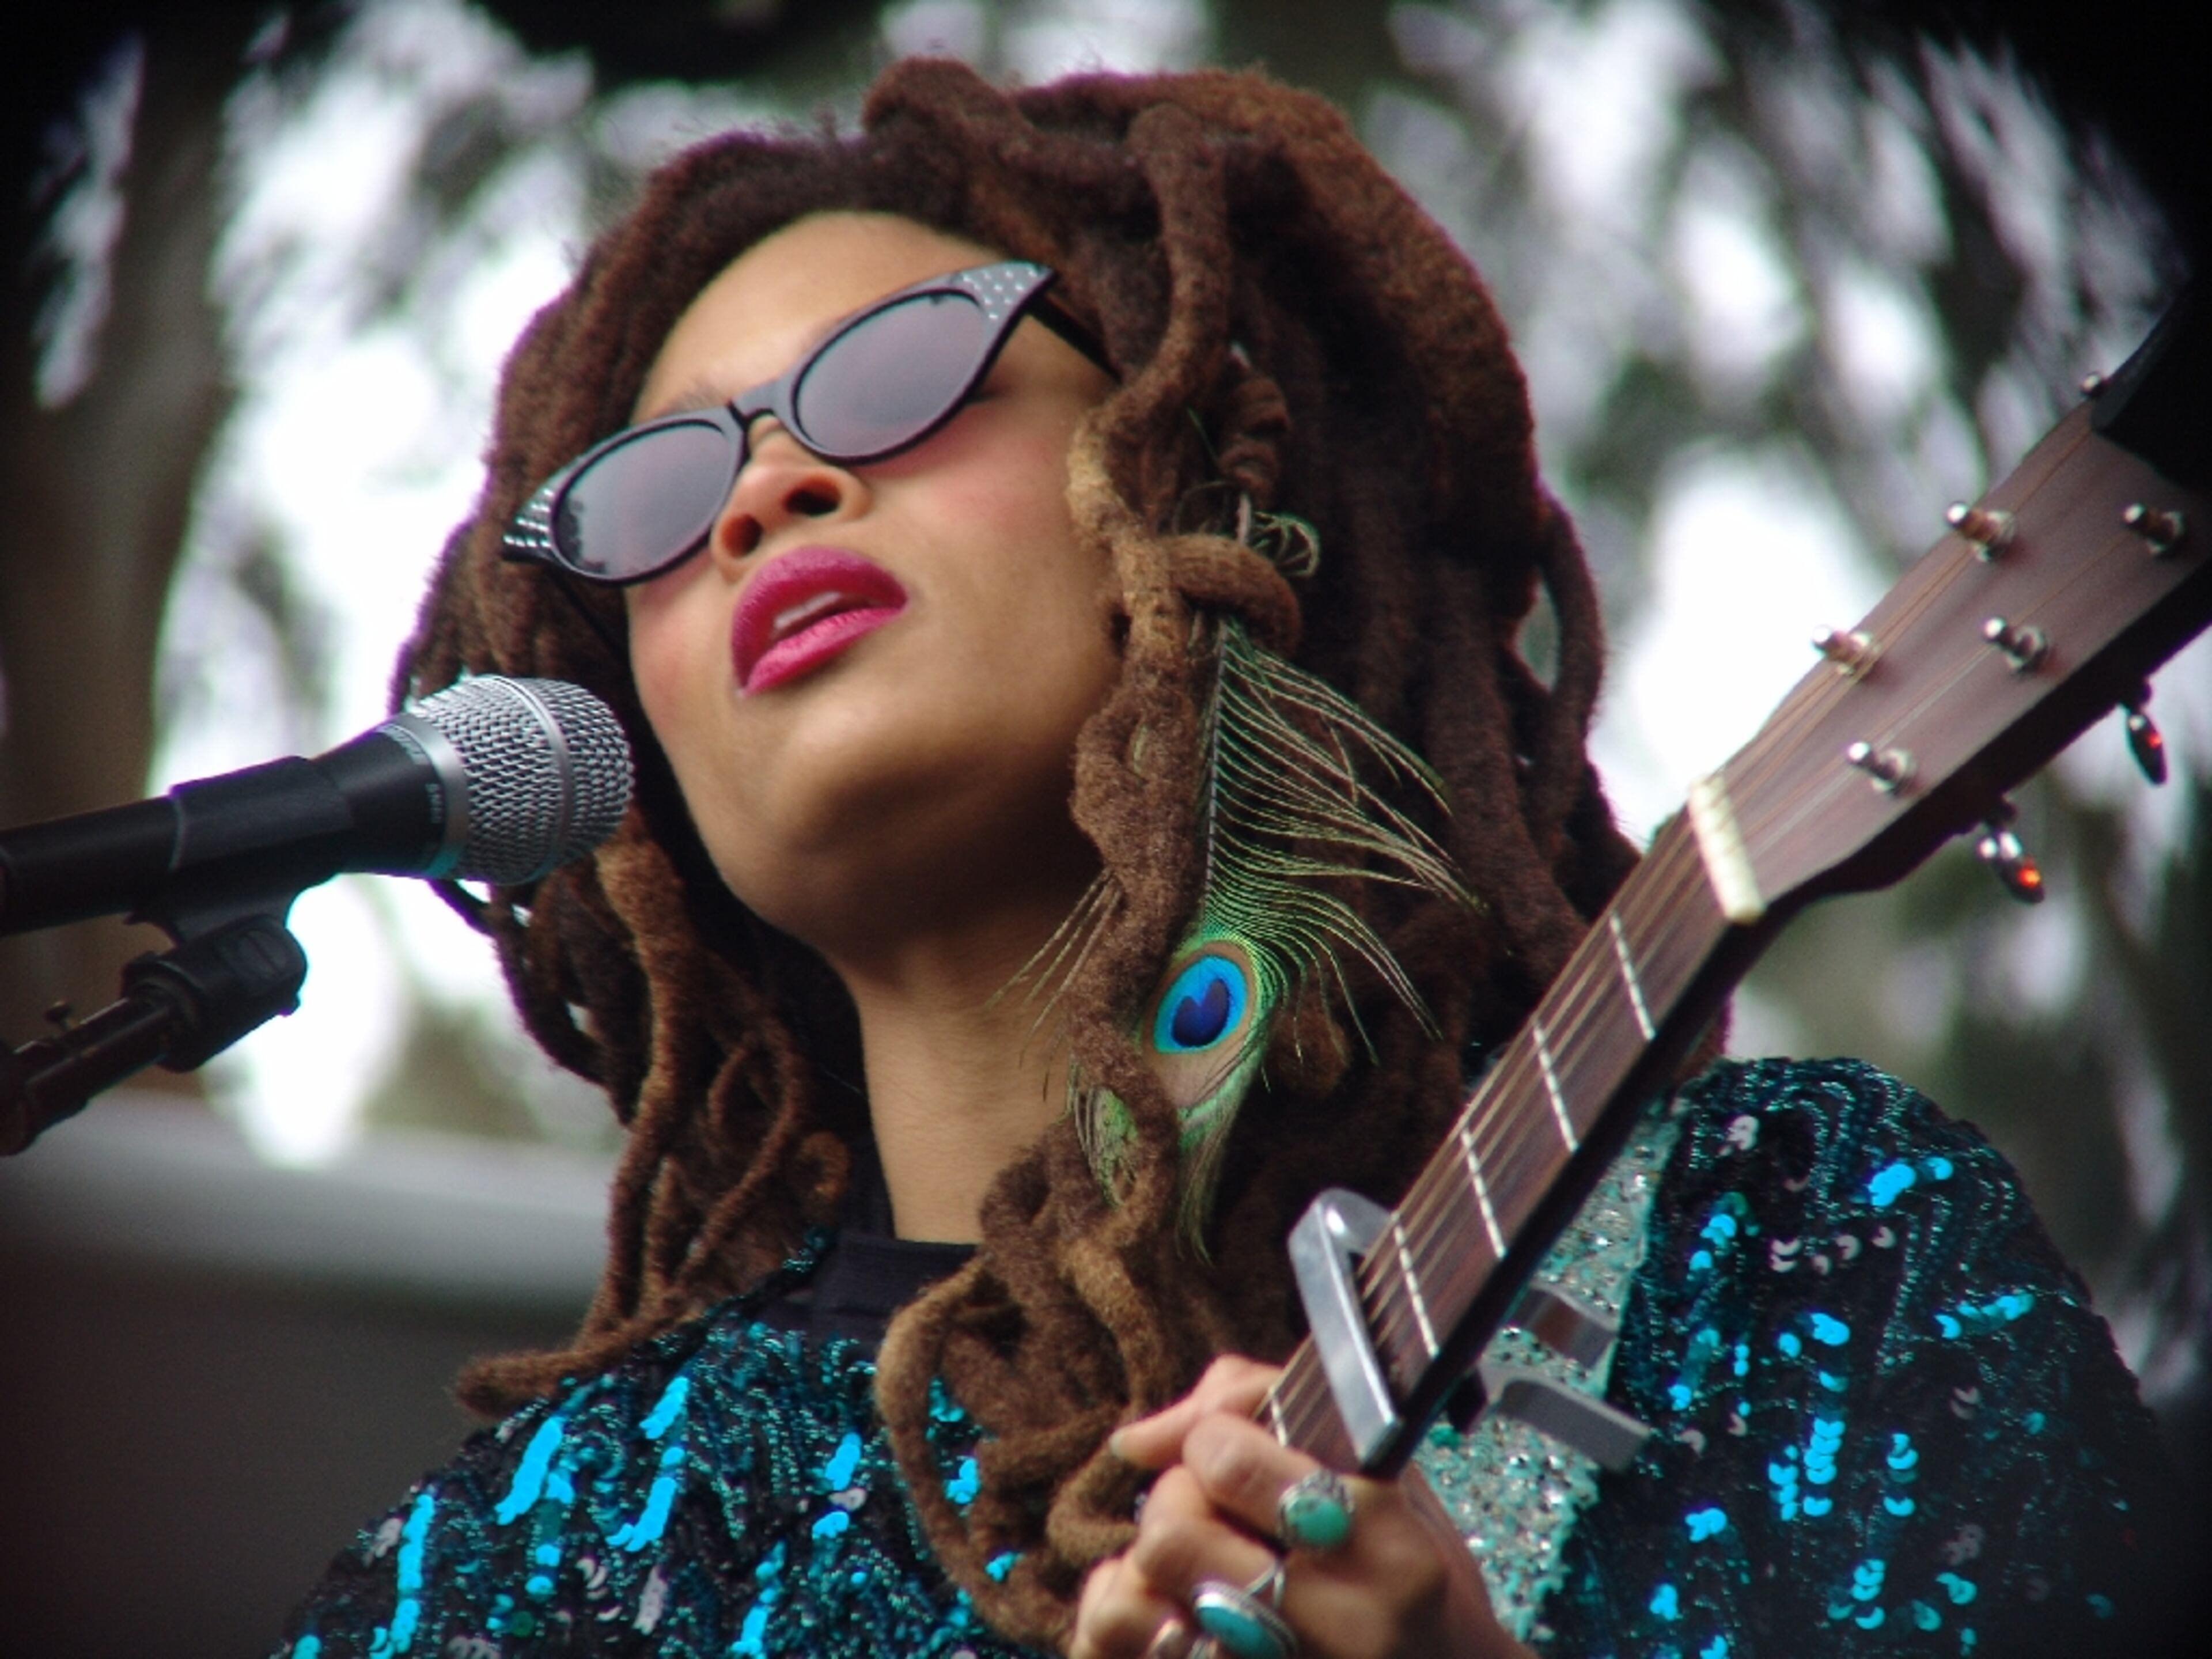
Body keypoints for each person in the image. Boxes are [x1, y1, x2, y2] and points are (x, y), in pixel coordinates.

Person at [275, 59, 2173, 1659]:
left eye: (901, 378)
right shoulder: (534, 1564)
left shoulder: (1783, 1251)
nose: (771, 490)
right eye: (661, 492)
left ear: (1197, 485)